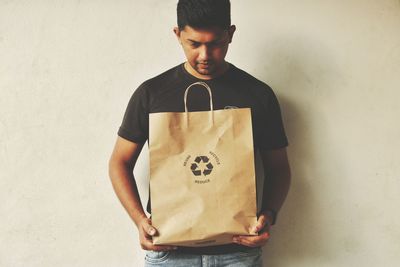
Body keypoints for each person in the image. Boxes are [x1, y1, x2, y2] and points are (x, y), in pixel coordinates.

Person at [108, 0, 291, 266]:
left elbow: (278, 168)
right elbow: (119, 162)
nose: (205, 55)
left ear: (230, 33)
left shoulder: (258, 95)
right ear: (177, 34)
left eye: (216, 43)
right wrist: (139, 221)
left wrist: (269, 215)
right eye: (194, 44)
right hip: (169, 251)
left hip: (238, 251)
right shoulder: (151, 94)